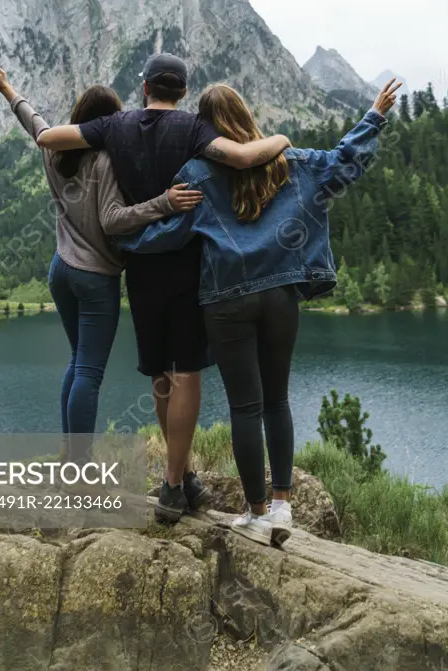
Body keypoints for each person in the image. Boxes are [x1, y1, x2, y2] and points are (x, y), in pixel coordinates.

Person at [117, 78, 401, 546]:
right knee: (278, 401)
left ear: (205, 129)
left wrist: (119, 237)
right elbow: (342, 163)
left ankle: (254, 512)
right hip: (281, 297)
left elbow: (166, 235)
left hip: (226, 303)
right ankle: (283, 506)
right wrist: (374, 115)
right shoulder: (290, 162)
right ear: (246, 116)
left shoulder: (197, 173)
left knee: (244, 408)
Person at [35, 52, 292, 523]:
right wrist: (282, 138)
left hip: (141, 270)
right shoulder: (195, 129)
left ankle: (182, 476)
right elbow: (243, 156)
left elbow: (48, 137)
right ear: (183, 91)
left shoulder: (115, 126)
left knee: (159, 373)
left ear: (146, 88)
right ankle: (175, 483)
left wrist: (27, 104)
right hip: (190, 268)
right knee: (187, 371)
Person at [0, 65, 203, 442]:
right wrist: (165, 202)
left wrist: (6, 88)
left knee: (77, 362)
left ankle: (71, 457)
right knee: (89, 372)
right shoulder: (105, 161)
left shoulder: (53, 153)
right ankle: (80, 470)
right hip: (95, 276)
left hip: (60, 270)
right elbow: (114, 220)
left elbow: (32, 121)